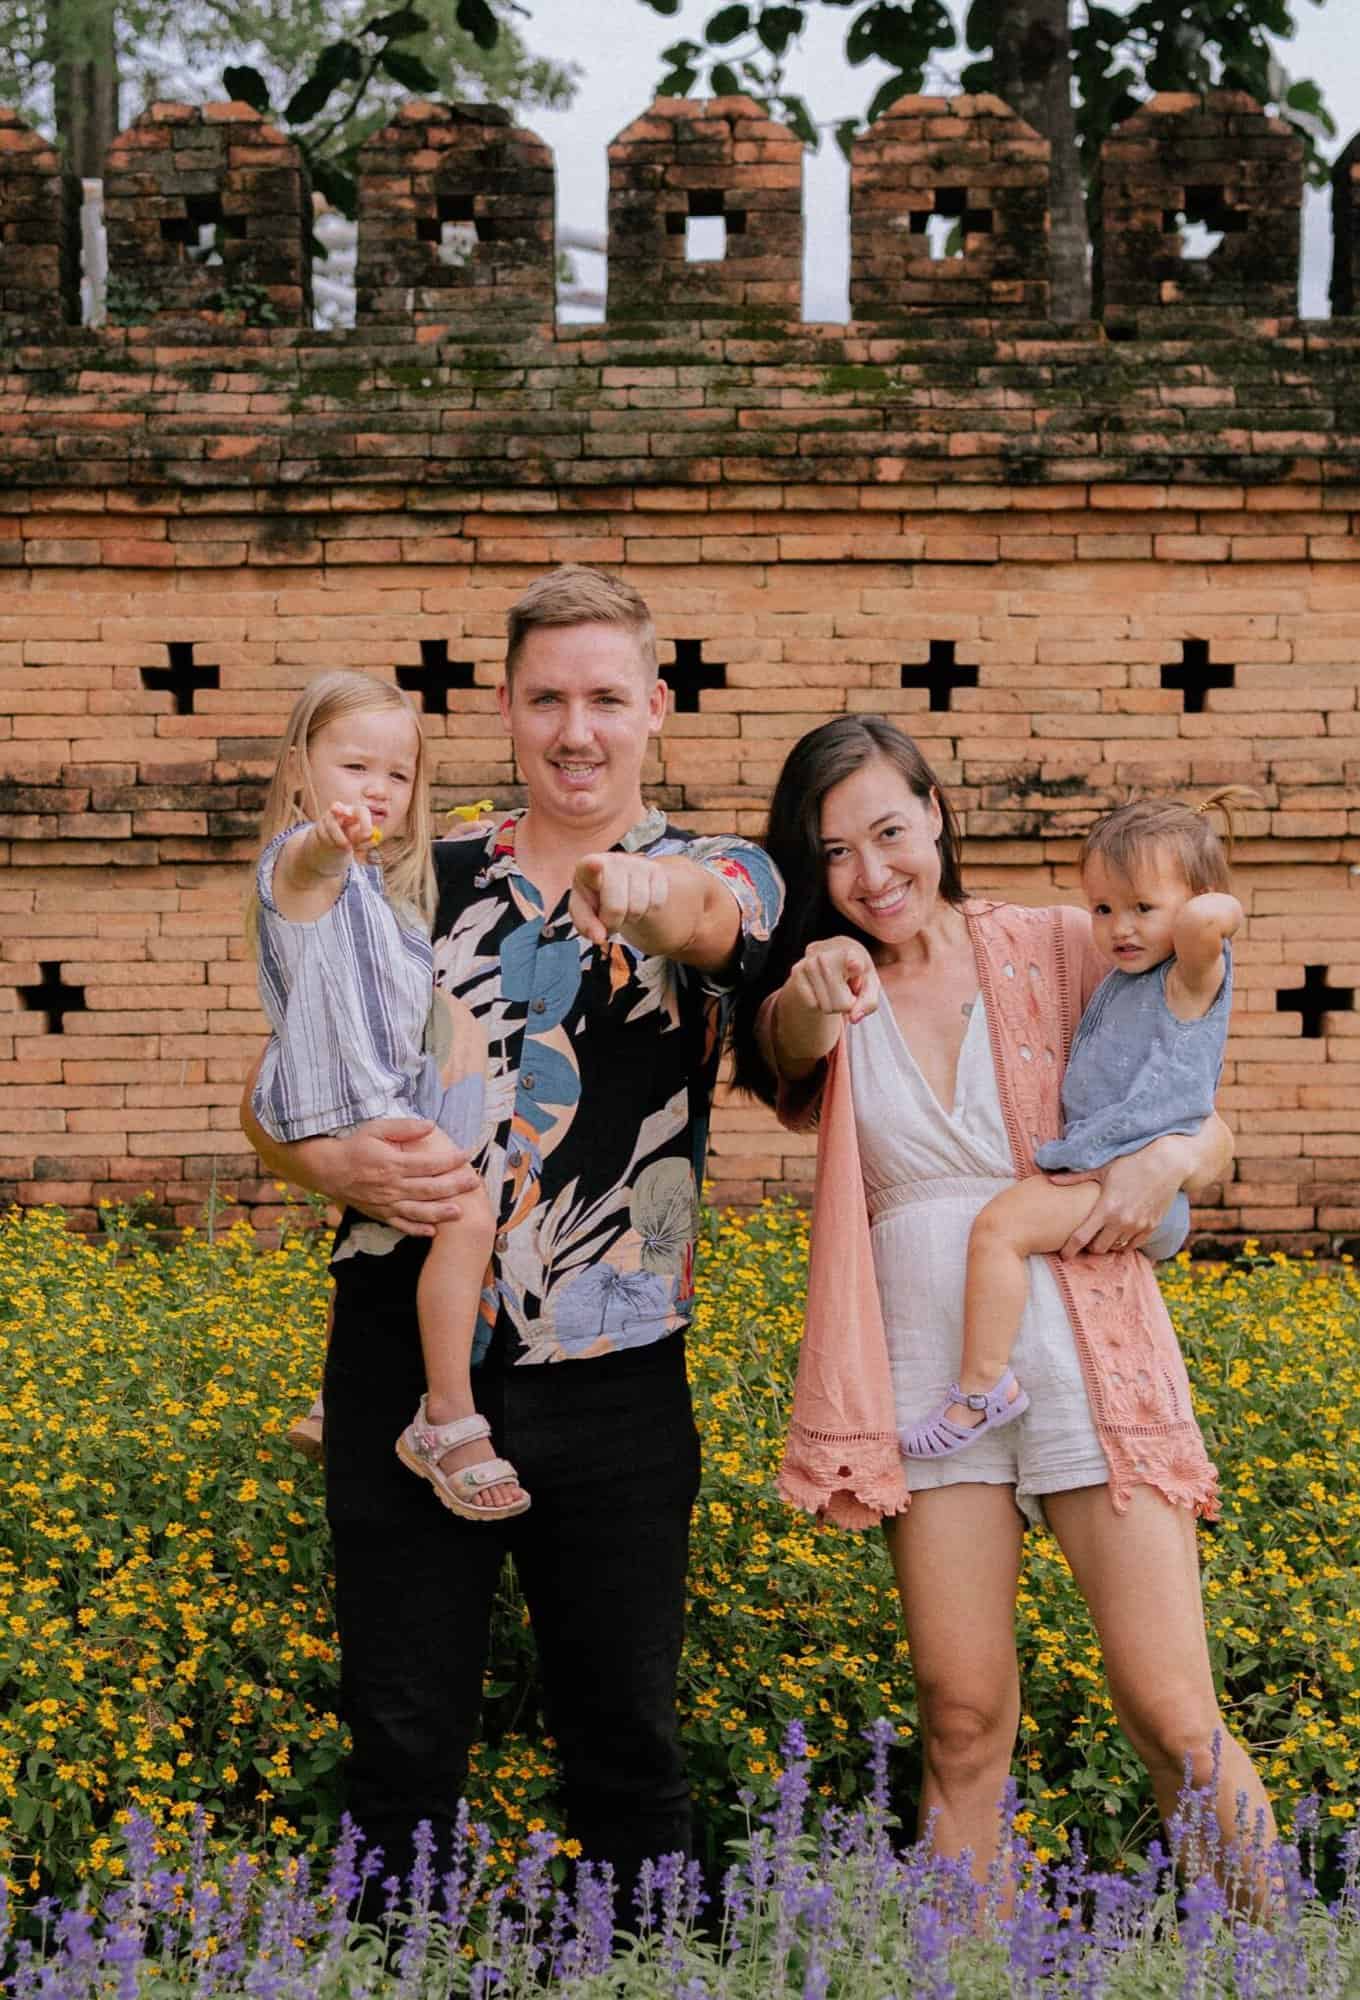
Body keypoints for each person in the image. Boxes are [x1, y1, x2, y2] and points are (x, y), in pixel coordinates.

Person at [242, 566, 782, 1900]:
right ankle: (391, 1969)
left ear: (656, 707)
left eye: (606, 697)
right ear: (504, 707)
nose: (576, 728)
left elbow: (710, 928)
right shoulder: (421, 868)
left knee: (624, 1742)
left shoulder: (720, 869)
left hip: (614, 1378)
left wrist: (630, 892)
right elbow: (285, 1077)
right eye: (546, 698)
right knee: (403, 1740)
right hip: (396, 1354)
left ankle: (646, 1974)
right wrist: (315, 1156)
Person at [731, 717, 1277, 1901]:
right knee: (964, 1716)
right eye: (836, 853)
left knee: (1174, 1710)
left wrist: (1174, 1158)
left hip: (1089, 1344)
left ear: (936, 812)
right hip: (931, 1376)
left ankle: (1285, 1965)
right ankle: (953, 1964)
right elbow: (784, 1046)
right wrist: (814, 990)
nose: (873, 873)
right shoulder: (824, 985)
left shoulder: (1055, 940)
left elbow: (1203, 1092)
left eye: (889, 830)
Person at [246, 672, 521, 1519]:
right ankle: (445, 1416)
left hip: (375, 1089)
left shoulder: (384, 894)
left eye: (396, 776)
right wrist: (328, 842)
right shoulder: (302, 866)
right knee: (467, 1216)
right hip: (347, 1097)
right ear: (300, 770)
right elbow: (303, 868)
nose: (376, 789)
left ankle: (335, 1403)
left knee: (379, 1231)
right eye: (354, 765)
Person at [898, 795, 1244, 1460]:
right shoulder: (1124, 978)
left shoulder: (1188, 977)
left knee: (998, 1229)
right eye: (1103, 908)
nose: (1120, 927)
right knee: (1005, 1232)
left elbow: (1206, 920)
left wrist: (1211, 899)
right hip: (1103, 1168)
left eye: (1143, 907)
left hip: (1132, 1177)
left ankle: (980, 1391)